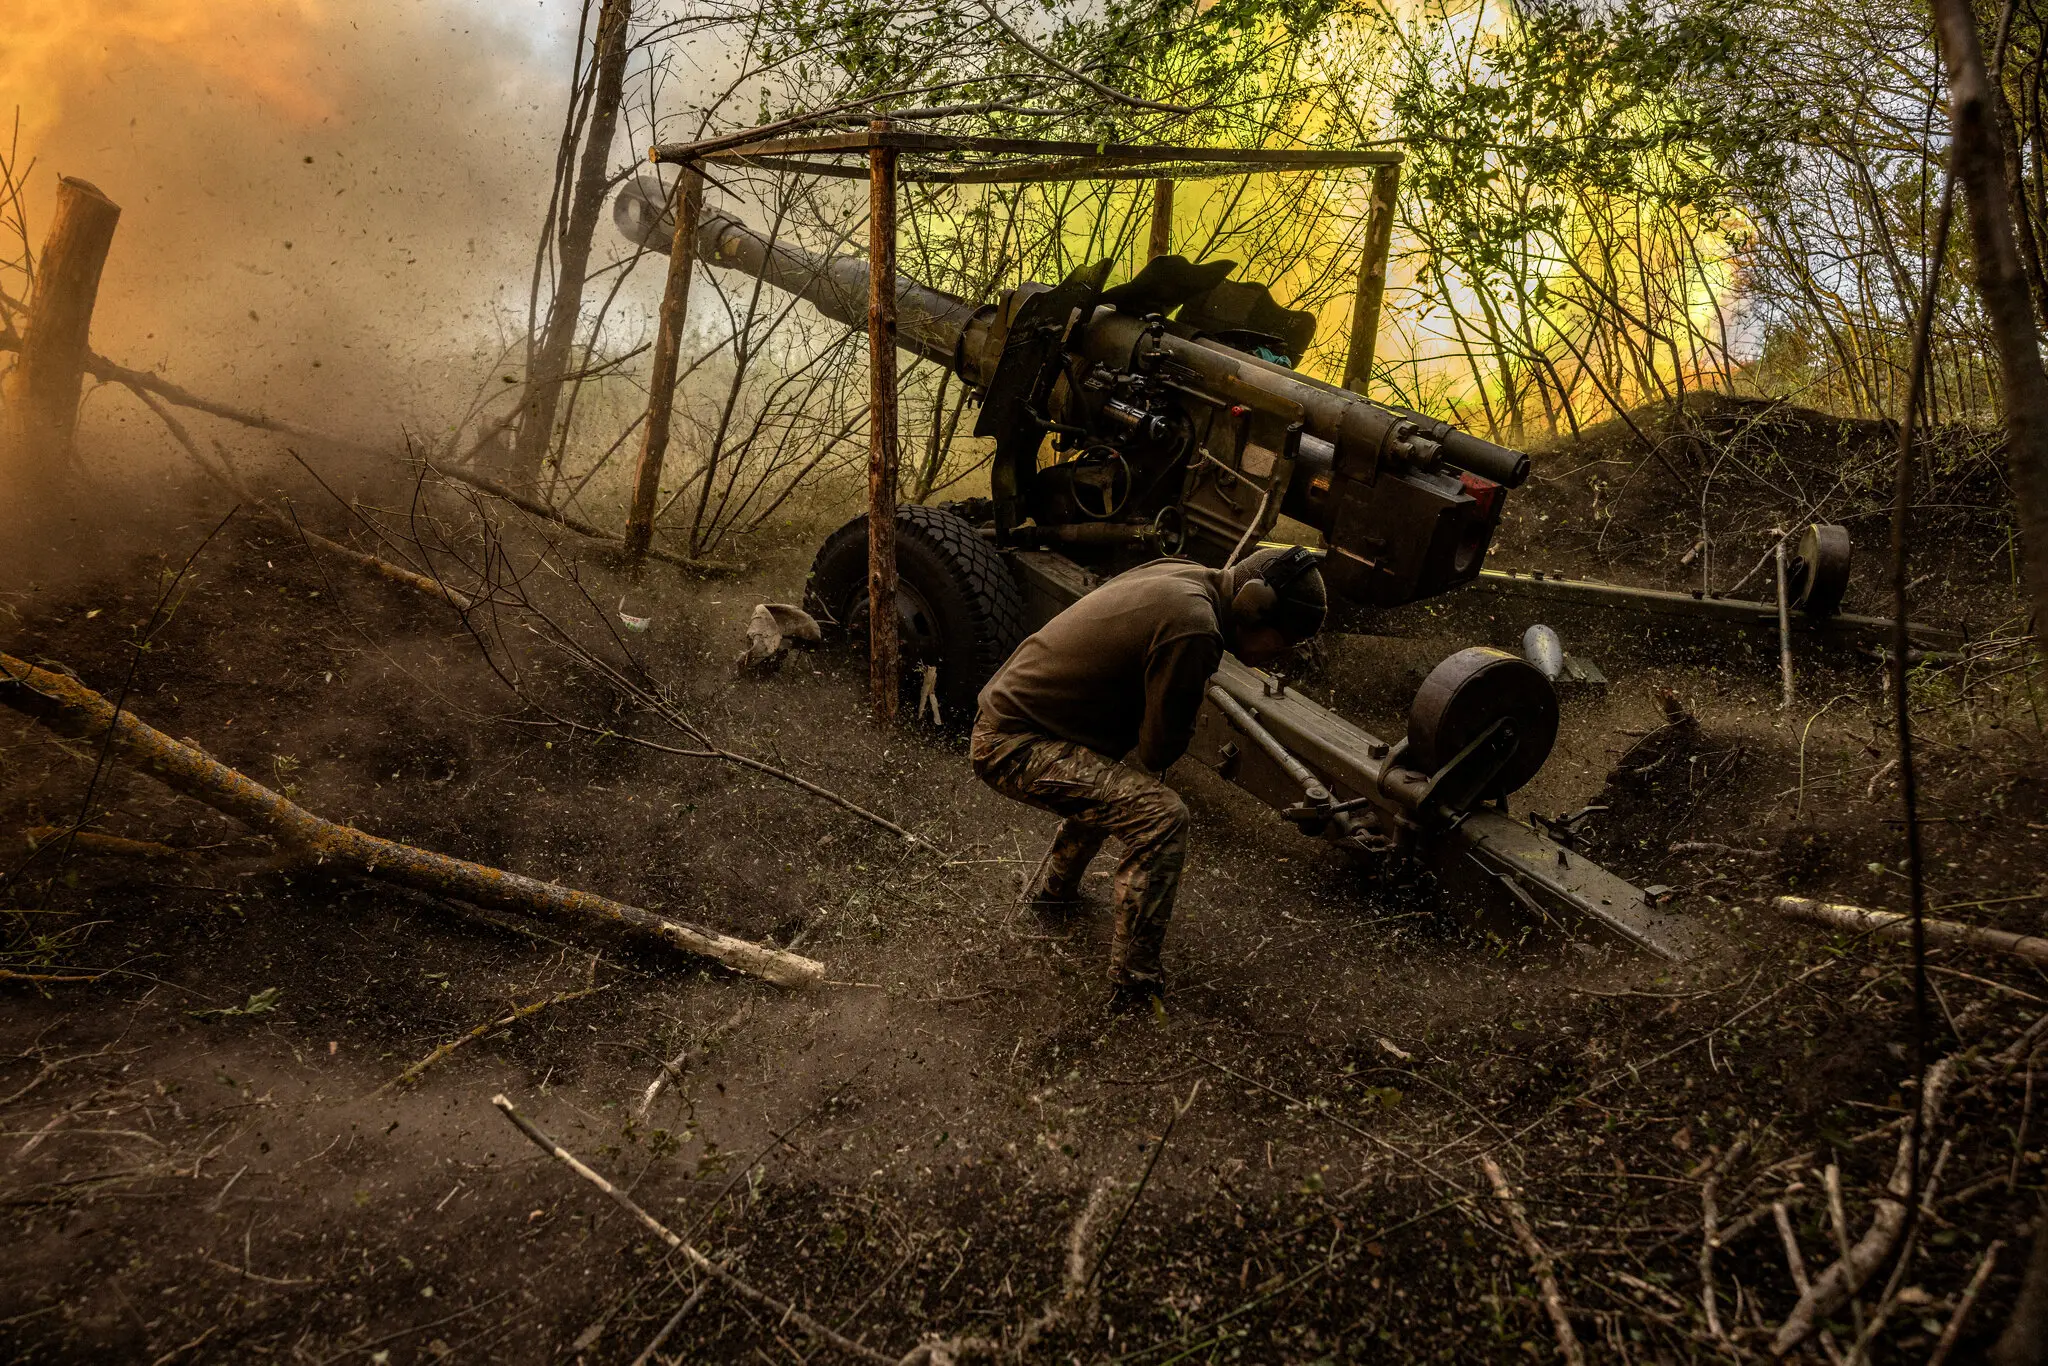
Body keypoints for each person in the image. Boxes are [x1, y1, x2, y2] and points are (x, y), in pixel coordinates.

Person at [970, 545, 1328, 1008]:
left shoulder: (1186, 572)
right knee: (1161, 817)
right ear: (1251, 607)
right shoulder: (1195, 627)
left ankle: (1053, 894)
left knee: (1117, 788)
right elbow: (1159, 748)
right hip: (1010, 744)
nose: (1277, 656)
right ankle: (1134, 984)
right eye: (1280, 642)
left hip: (1019, 722)